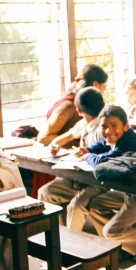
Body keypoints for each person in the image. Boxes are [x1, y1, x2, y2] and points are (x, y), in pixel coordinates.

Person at [85, 105, 136, 260]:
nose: (108, 131)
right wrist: (89, 150)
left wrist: (87, 156)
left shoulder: (128, 143)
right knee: (96, 205)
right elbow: (102, 146)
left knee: (109, 231)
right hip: (130, 192)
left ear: (126, 126)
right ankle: (123, 246)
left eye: (114, 126)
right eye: (104, 126)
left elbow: (100, 163)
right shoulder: (120, 137)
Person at [37, 87, 106, 230]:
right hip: (79, 177)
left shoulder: (103, 128)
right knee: (45, 193)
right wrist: (55, 145)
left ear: (79, 111)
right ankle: (58, 236)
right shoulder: (83, 124)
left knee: (75, 206)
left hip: (96, 182)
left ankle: (72, 246)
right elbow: (67, 136)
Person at [34, 64, 108, 197]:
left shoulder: (102, 123)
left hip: (92, 170)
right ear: (96, 85)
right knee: (48, 192)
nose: (104, 92)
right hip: (70, 163)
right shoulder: (70, 106)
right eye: (104, 87)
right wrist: (63, 148)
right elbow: (44, 138)